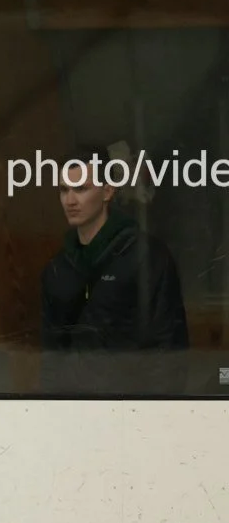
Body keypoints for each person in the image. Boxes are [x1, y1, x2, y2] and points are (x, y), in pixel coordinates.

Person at [39, 145, 188, 394]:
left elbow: (167, 348)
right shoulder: (57, 269)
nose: (70, 200)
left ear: (107, 191)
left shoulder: (146, 256)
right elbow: (51, 357)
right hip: (73, 408)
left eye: (81, 189)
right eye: (64, 190)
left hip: (133, 406)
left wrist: (156, 411)